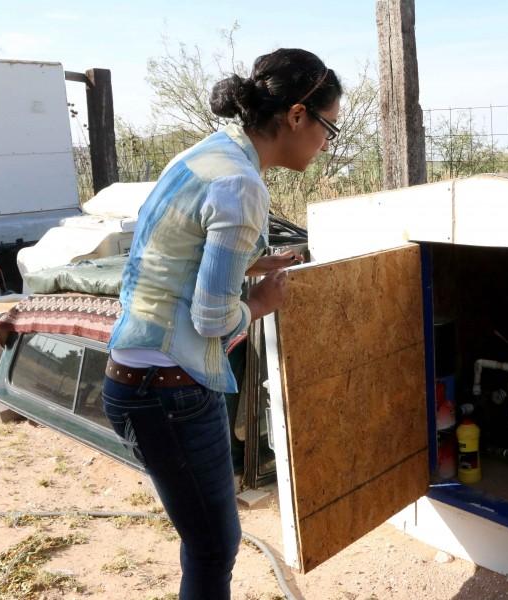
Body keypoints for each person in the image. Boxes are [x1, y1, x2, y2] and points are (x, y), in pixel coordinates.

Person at [102, 48, 342, 599]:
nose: (327, 143)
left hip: (133, 374)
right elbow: (212, 318)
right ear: (298, 115)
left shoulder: (207, 156)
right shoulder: (243, 186)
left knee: (205, 539)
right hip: (171, 389)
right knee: (215, 546)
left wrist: (255, 261)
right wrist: (258, 302)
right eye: (328, 126)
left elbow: (175, 252)